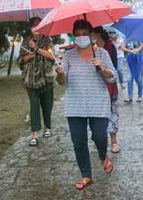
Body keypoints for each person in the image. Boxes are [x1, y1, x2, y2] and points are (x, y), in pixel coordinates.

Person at [55, 19, 116, 190]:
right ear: (74, 36)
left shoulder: (102, 54)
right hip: (75, 105)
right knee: (79, 142)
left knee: (99, 136)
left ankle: (103, 156)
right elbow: (61, 81)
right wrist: (59, 74)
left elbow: (113, 76)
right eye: (78, 34)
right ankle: (86, 175)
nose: (81, 37)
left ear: (90, 35)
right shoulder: (69, 56)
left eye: (84, 34)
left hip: (98, 103)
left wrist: (102, 68)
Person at [17, 17, 55, 147]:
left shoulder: (47, 39)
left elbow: (52, 57)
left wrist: (37, 49)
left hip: (46, 79)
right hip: (30, 80)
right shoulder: (25, 41)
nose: (36, 27)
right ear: (30, 27)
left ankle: (48, 127)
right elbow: (20, 60)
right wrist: (29, 56)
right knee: (34, 106)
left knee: (47, 104)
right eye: (34, 25)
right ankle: (34, 134)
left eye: (39, 25)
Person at [92, 27, 121, 154]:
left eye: (91, 34)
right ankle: (99, 139)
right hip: (95, 87)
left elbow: (113, 68)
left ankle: (114, 142)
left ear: (97, 34)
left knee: (112, 113)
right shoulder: (91, 49)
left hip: (110, 85)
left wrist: (102, 67)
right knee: (97, 116)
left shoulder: (110, 46)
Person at [122, 38, 143, 102]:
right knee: (129, 78)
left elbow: (141, 45)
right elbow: (122, 47)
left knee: (139, 79)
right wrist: (129, 51)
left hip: (139, 60)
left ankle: (140, 96)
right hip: (130, 60)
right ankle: (130, 96)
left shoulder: (139, 36)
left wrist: (137, 50)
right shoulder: (126, 37)